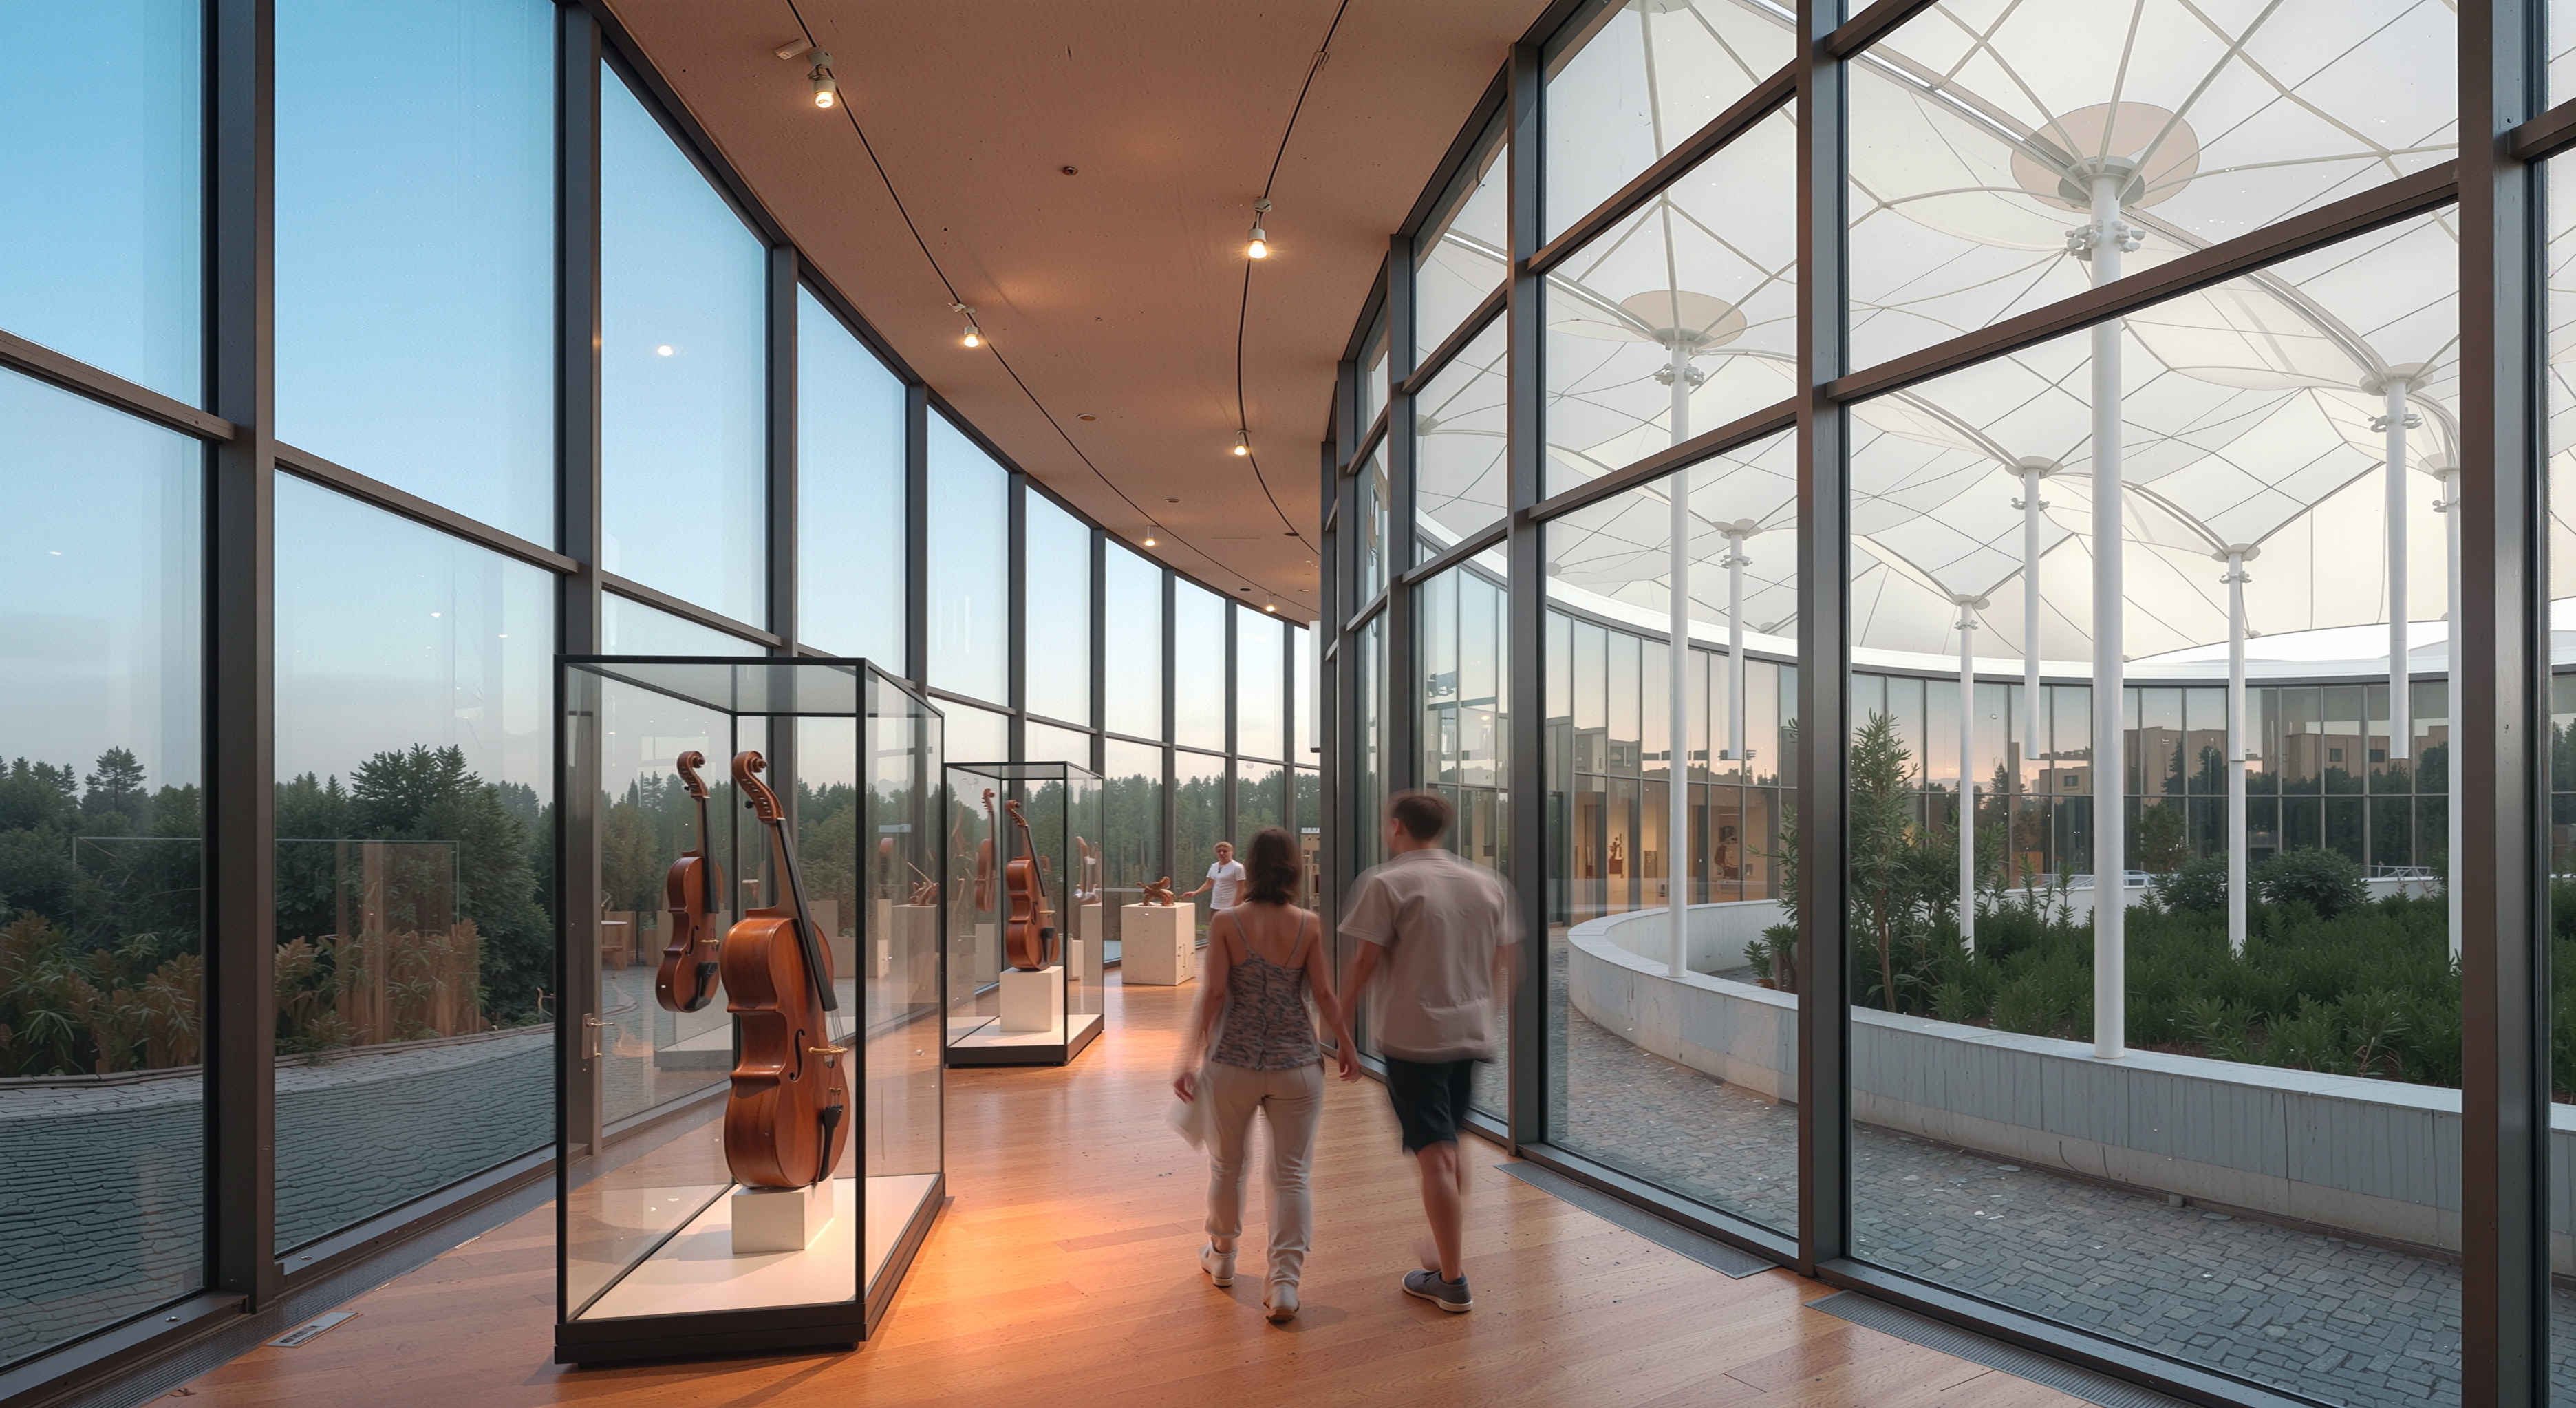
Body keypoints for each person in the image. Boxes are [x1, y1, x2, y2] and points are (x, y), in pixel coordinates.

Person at [1338, 791, 1518, 1313]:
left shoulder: (1387, 881)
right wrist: (1488, 1014)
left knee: (1435, 1153)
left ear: (1396, 827)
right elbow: (1505, 962)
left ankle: (1453, 1280)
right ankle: (1444, 1257)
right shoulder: (1488, 883)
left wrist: (1341, 1026)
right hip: (1469, 1032)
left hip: (1414, 1037)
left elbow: (1365, 962)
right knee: (1450, 1144)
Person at [1172, 827, 1357, 1323]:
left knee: (1227, 1165)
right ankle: (1285, 1285)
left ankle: (1224, 1257)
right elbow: (1323, 995)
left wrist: (1189, 1059)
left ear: (1247, 869)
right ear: (1294, 869)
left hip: (1232, 1063)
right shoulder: (1309, 923)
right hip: (1297, 1064)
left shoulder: (1228, 922)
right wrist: (1348, 1046)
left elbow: (1212, 996)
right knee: (1292, 1174)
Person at [1181, 840, 1246, 910]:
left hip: (1230, 905)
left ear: (1231, 852)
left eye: (1225, 851)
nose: (1221, 853)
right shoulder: (1214, 866)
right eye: (1219, 851)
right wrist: (1196, 892)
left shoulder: (1238, 867)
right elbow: (1209, 884)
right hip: (1216, 905)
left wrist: (1237, 904)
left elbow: (1242, 888)